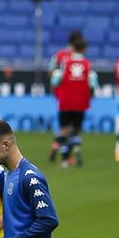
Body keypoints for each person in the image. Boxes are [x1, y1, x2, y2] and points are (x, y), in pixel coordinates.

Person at [50, 39, 98, 168]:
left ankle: (65, 160)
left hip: (65, 101)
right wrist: (90, 94)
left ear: (73, 48)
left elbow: (55, 80)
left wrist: (58, 88)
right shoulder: (87, 64)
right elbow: (93, 83)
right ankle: (76, 146)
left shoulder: (65, 62)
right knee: (75, 130)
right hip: (80, 102)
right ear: (84, 49)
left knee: (64, 130)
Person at [46, 30, 84, 162]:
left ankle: (58, 147)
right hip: (76, 95)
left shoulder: (59, 55)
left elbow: (50, 72)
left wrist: (56, 88)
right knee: (72, 128)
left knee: (65, 126)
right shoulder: (78, 58)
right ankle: (65, 154)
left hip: (62, 95)